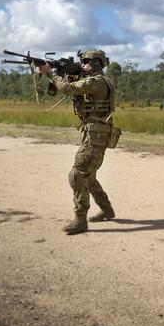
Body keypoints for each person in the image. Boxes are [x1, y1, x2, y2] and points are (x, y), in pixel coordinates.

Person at [39, 49, 117, 235]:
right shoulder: (94, 80)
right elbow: (72, 87)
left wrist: (50, 73)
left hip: (95, 133)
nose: (83, 64)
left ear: (97, 63)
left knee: (77, 175)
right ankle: (107, 210)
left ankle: (80, 220)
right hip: (93, 132)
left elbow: (70, 89)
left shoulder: (96, 81)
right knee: (88, 176)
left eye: (87, 61)